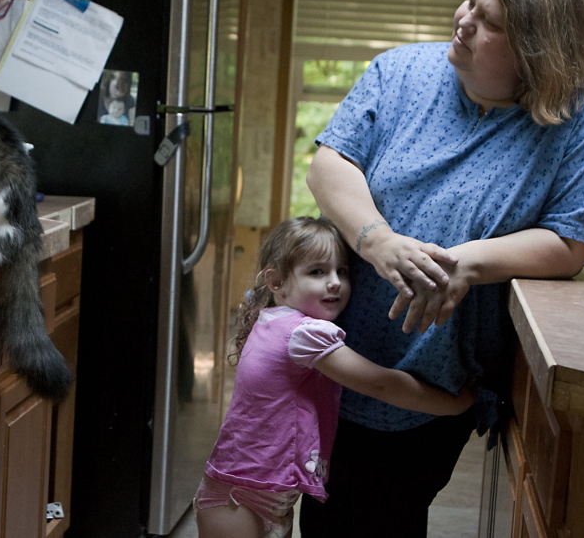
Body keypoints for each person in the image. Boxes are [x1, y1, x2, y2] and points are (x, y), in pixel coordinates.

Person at [300, 0, 584, 537]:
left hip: (434, 374)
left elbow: (571, 242)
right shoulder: (400, 71)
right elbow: (328, 165)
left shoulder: (579, 118)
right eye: (469, 1)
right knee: (327, 508)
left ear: (536, 51)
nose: (463, 19)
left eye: (489, 21)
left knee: (378, 509)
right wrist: (379, 242)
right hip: (336, 344)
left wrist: (468, 263)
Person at [194, 216, 476, 538]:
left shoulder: (274, 320)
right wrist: (455, 405)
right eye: (317, 272)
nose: (334, 282)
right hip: (239, 496)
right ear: (276, 283)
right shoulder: (303, 334)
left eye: (341, 271)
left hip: (263, 493)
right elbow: (380, 383)